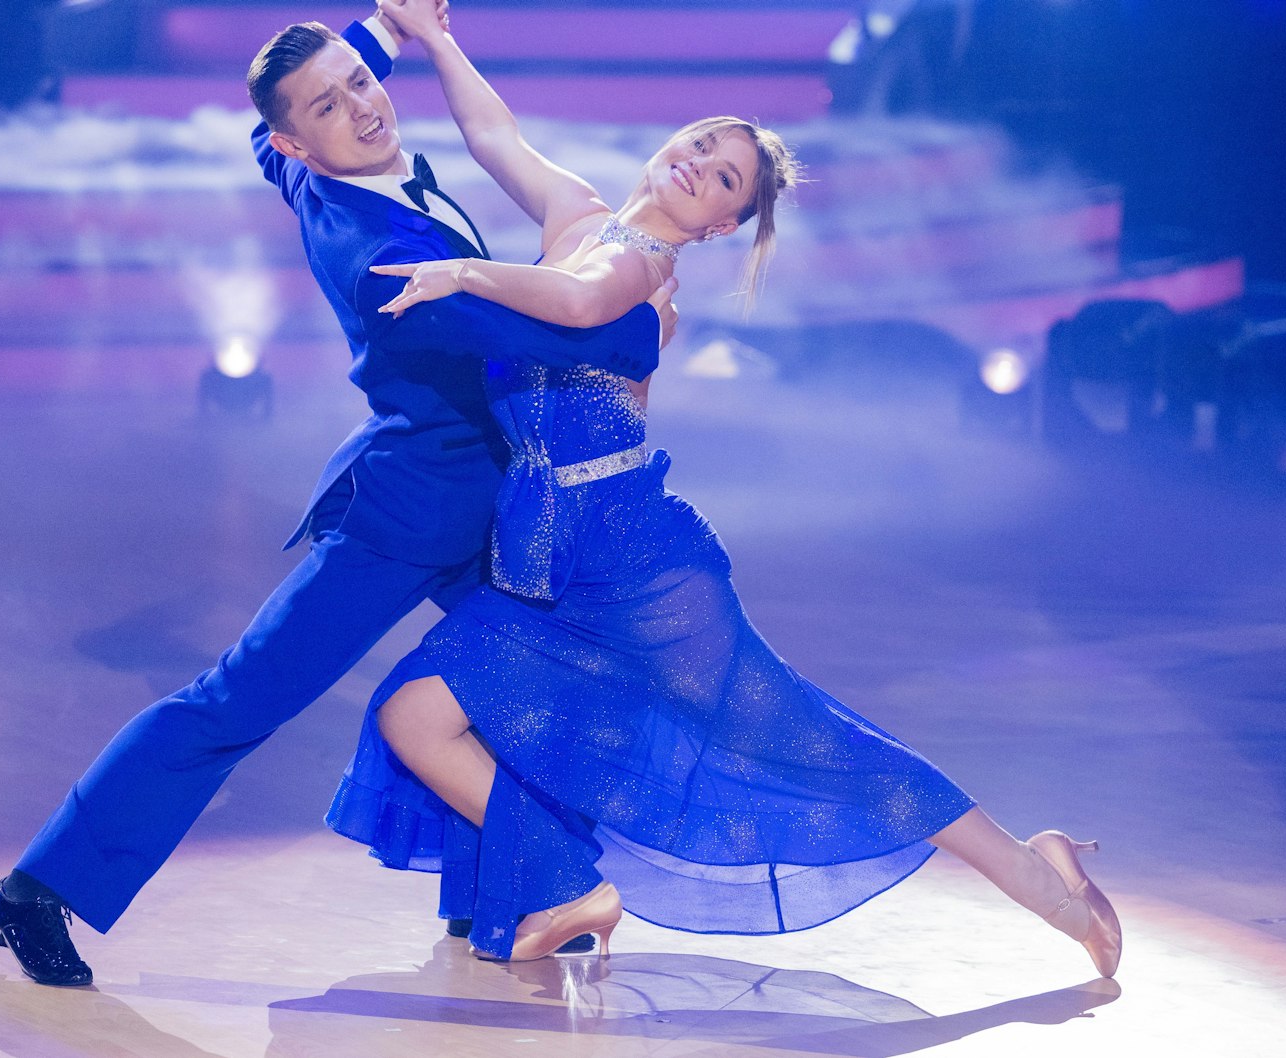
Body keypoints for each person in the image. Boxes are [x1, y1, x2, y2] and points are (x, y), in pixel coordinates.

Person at [326, 0, 1123, 977]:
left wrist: (461, 272)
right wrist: (435, 38)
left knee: (795, 735)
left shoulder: (642, 265)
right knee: (416, 714)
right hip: (540, 560)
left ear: (719, 223)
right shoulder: (577, 214)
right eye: (700, 143)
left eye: (721, 176)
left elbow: (579, 300)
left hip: (635, 562)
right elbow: (493, 134)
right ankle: (569, 883)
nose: (695, 163)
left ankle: (1031, 872)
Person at [0, 2, 676, 987]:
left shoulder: (301, 164)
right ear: (296, 137)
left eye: (361, 81)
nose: (362, 106)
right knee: (236, 697)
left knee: (530, 680)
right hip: (409, 517)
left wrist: (382, 27)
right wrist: (648, 310)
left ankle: (495, 894)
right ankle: (33, 892)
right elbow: (549, 335)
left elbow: (309, 105)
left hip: (486, 505)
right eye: (330, 105)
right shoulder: (376, 256)